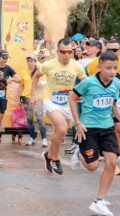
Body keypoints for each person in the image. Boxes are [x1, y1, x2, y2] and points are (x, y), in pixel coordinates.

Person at [69, 51, 120, 216]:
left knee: (111, 163)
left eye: (115, 68)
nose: (112, 71)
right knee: (92, 167)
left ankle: (99, 200)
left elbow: (113, 104)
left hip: (107, 127)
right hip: (88, 128)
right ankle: (79, 152)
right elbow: (72, 97)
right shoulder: (88, 82)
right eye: (108, 68)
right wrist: (77, 122)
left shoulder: (116, 83)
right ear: (99, 67)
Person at [31, 38, 86, 175]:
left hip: (68, 103)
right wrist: (33, 95)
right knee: (62, 129)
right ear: (57, 51)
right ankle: (56, 159)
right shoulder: (48, 65)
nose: (67, 54)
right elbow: (36, 76)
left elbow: (84, 80)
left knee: (60, 133)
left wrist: (81, 93)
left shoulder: (77, 66)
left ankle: (48, 155)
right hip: (51, 101)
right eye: (63, 51)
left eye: (70, 51)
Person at [0, 50, 21, 148]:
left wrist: (12, 79)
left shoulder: (8, 68)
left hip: (2, 96)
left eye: (6, 58)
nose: (4, 60)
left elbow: (19, 79)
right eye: (3, 58)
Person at [20, 54, 47, 147]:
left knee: (39, 119)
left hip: (38, 98)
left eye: (32, 61)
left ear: (35, 62)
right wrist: (20, 96)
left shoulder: (39, 71)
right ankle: (32, 138)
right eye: (28, 61)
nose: (30, 63)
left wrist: (40, 84)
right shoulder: (23, 72)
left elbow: (45, 83)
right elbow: (22, 85)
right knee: (29, 119)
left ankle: (44, 139)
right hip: (27, 98)